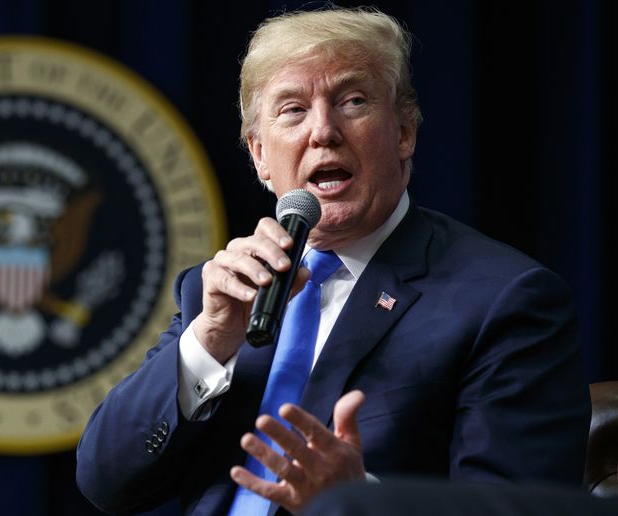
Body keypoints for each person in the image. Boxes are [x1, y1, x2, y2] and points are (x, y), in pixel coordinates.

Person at [76, 7, 591, 515]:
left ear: (404, 134)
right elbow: (106, 481)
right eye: (293, 110)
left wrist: (359, 501)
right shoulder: (220, 295)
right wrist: (207, 342)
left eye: (352, 101)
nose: (323, 131)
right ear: (259, 155)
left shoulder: (505, 301)